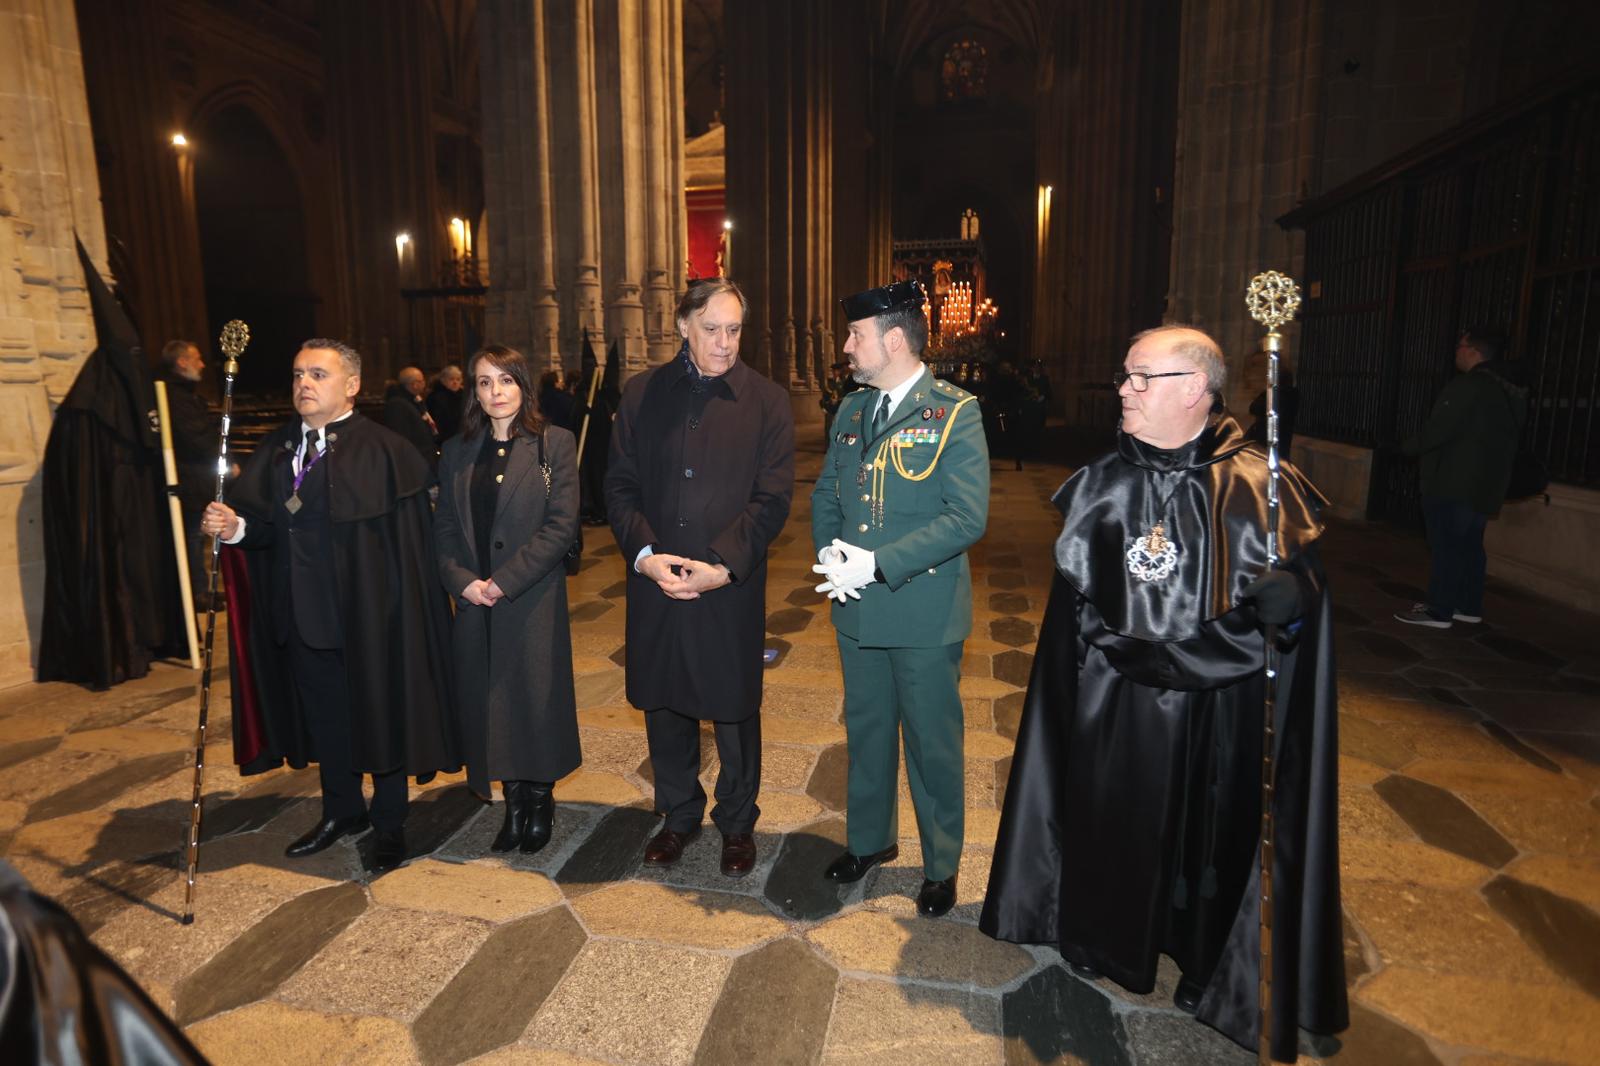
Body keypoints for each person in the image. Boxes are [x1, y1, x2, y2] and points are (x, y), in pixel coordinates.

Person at [979, 326, 1346, 1061]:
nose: (1124, 390)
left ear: (1195, 389)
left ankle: (1208, 961)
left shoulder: (1257, 482)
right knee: (1110, 811)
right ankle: (1102, 938)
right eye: (1126, 376)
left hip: (1222, 711)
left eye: (1142, 378)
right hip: (1115, 702)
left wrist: (1293, 594)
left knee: (1213, 831)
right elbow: (1074, 613)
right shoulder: (1104, 482)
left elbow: (1301, 600)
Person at [204, 339, 457, 874]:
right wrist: (237, 527)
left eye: (318, 374)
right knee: (326, 721)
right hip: (300, 616)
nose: (304, 384)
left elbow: (410, 552)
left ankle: (389, 823)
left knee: (380, 717)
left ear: (352, 385)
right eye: (298, 374)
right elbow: (268, 528)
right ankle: (343, 812)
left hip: (370, 620)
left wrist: (399, 616)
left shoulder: (386, 451)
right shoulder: (277, 449)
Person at [811, 280, 990, 919]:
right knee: (865, 729)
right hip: (856, 603)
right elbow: (829, 492)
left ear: (892, 339)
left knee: (931, 740)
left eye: (855, 335)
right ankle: (870, 841)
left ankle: (940, 864)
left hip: (921, 609)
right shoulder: (852, 411)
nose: (846, 346)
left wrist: (879, 562)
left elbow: (967, 517)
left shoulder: (955, 411)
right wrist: (833, 552)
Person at [605, 278, 795, 878]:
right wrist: (645, 555)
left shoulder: (766, 400)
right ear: (683, 325)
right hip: (657, 577)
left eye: (734, 329)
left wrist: (722, 566)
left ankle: (737, 823)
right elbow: (618, 486)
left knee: (734, 706)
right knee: (665, 701)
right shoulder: (641, 394)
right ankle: (679, 814)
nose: (724, 342)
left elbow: (772, 498)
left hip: (726, 582)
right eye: (711, 329)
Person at [434, 345, 581, 853]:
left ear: (523, 385)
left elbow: (561, 526)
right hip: (476, 600)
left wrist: (505, 580)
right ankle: (512, 802)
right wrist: (463, 581)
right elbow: (446, 528)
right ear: (474, 392)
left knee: (533, 700)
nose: (495, 392)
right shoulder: (456, 451)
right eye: (483, 382)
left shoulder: (552, 444)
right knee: (490, 701)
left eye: (505, 381)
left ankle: (540, 801)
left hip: (530, 596)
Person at [1393, 329, 1526, 628]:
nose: (1456, 351)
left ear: (1474, 351)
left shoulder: (1470, 385)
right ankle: (1467, 605)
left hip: (1453, 480)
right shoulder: (1509, 388)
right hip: (1486, 484)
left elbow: (1439, 430)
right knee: (1469, 547)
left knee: (1447, 546)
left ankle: (1439, 610)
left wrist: (1403, 447)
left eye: (1460, 345)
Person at [157, 340, 215, 606]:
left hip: (195, 477)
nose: (202, 364)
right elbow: (195, 436)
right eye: (197, 358)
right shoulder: (175, 397)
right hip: (186, 478)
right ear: (182, 362)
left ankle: (202, 587)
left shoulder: (186, 394)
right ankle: (197, 593)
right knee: (192, 537)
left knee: (197, 536)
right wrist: (220, 454)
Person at [386, 365, 439, 468]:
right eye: (422, 381)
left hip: (424, 455)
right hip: (415, 459)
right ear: (414, 384)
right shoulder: (398, 405)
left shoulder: (415, 400)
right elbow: (401, 436)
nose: (424, 384)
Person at [427, 363, 468, 441]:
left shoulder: (464, 394)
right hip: (445, 437)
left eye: (458, 379)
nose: (455, 382)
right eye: (451, 379)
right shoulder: (435, 397)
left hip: (464, 435)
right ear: (443, 380)